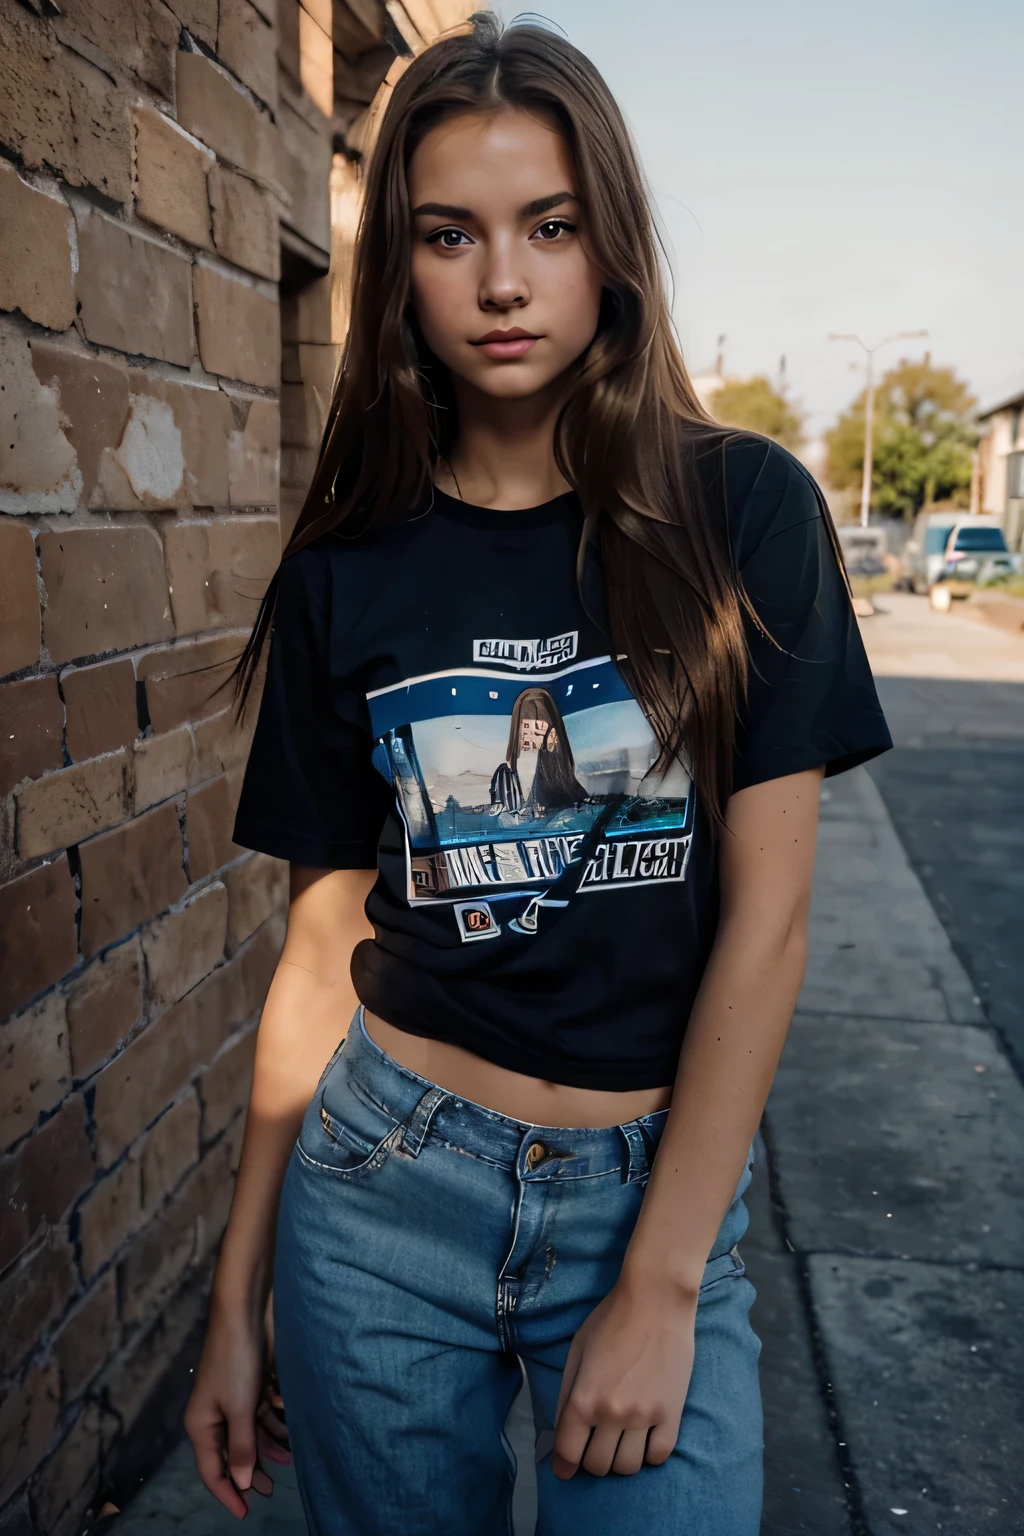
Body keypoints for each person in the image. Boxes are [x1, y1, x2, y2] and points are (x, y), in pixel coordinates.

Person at [184, 14, 891, 1535]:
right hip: (382, 1186)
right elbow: (319, 952)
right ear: (402, 272)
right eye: (449, 234)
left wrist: (661, 1275)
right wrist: (234, 1298)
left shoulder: (743, 511)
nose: (502, 281)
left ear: (609, 246)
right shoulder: (348, 568)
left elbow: (765, 931)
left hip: (651, 1192)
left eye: (548, 226)